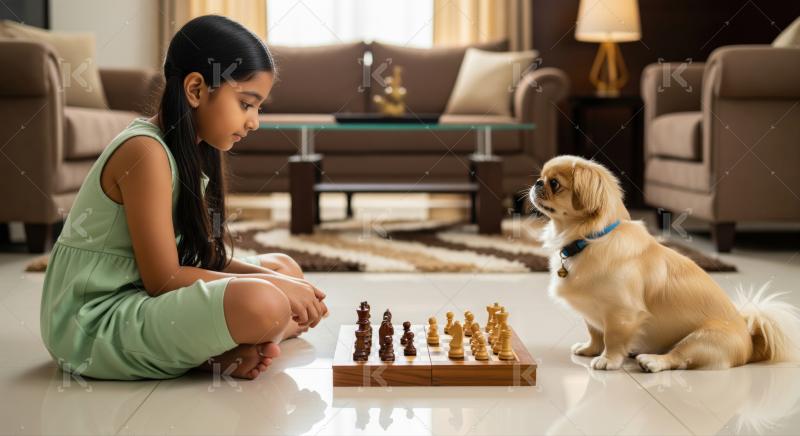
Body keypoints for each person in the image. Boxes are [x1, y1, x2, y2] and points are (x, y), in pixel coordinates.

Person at [40, 15, 327, 380]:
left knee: (286, 269)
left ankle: (238, 342)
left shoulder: (194, 149)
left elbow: (203, 257)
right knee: (266, 301)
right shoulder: (145, 153)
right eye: (246, 104)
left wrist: (281, 281)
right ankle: (237, 341)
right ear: (195, 90)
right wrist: (276, 291)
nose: (255, 121)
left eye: (259, 107)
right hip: (93, 324)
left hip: (142, 299)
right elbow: (164, 278)